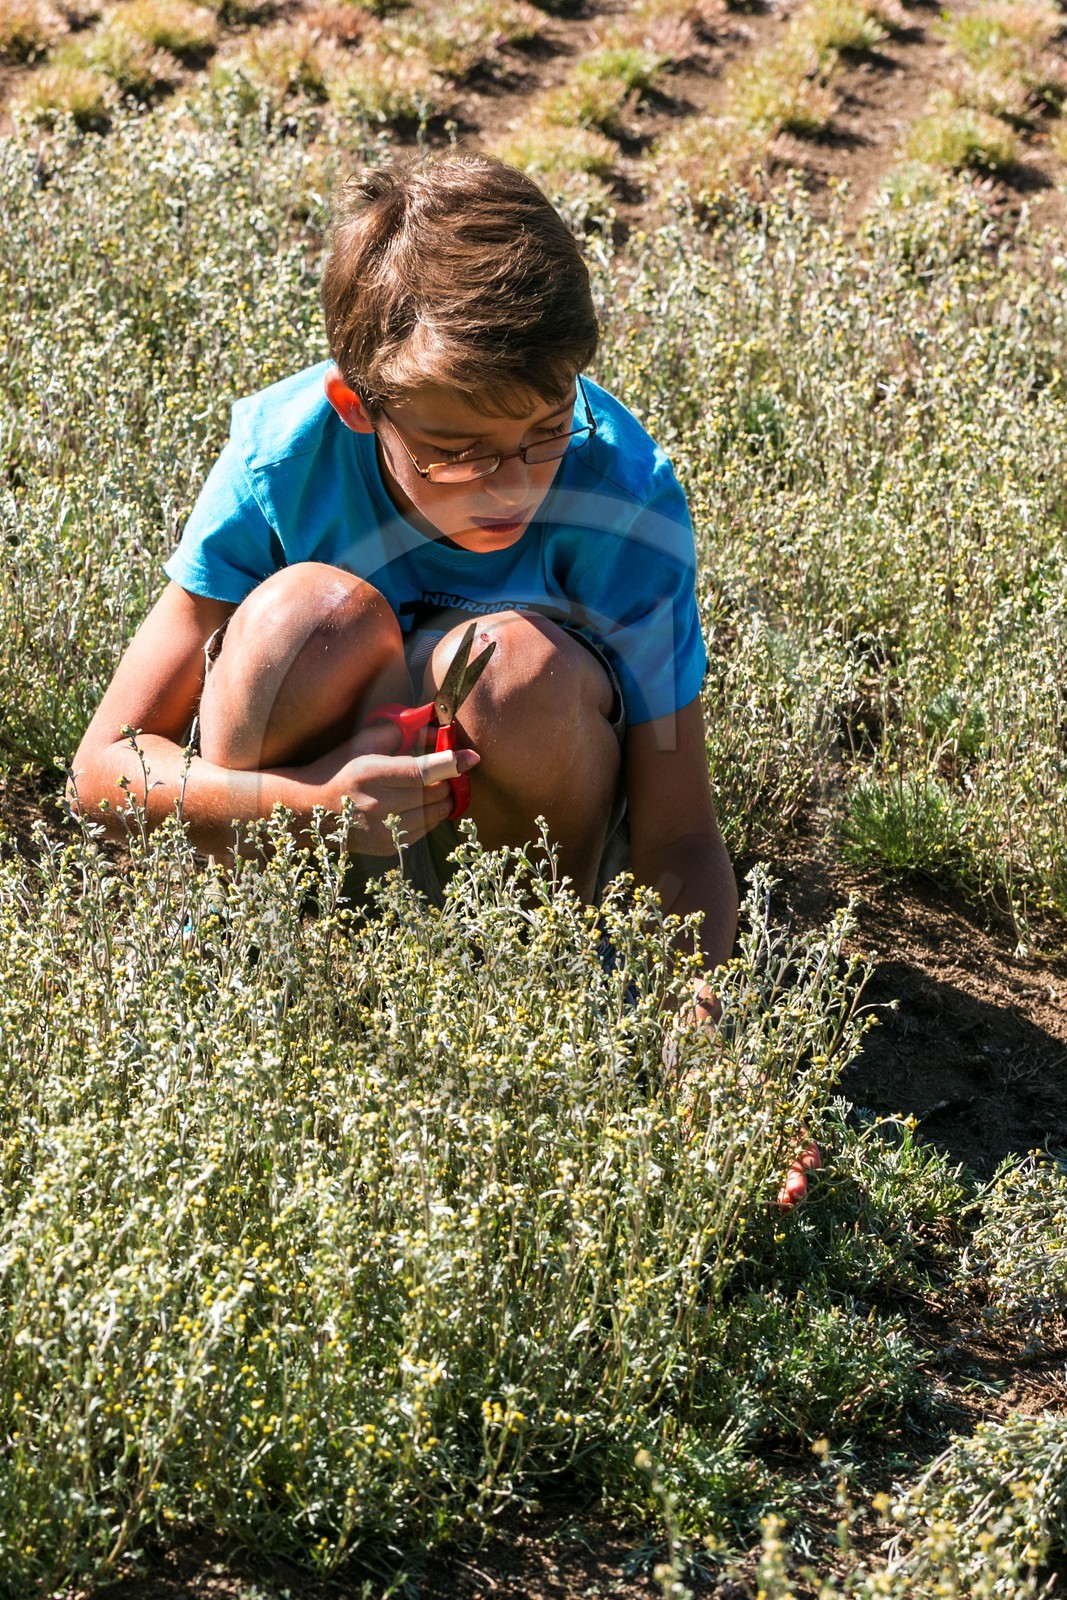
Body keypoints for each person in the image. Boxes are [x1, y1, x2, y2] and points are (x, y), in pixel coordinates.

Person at [69, 154, 815, 1204]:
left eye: (544, 432)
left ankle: (538, 995)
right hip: (307, 828)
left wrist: (708, 1051)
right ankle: (266, 966)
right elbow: (102, 767)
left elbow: (681, 835)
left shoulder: (623, 494)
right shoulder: (282, 460)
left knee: (509, 671)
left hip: (533, 851)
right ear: (356, 405)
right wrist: (308, 810)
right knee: (299, 620)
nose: (511, 483)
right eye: (458, 449)